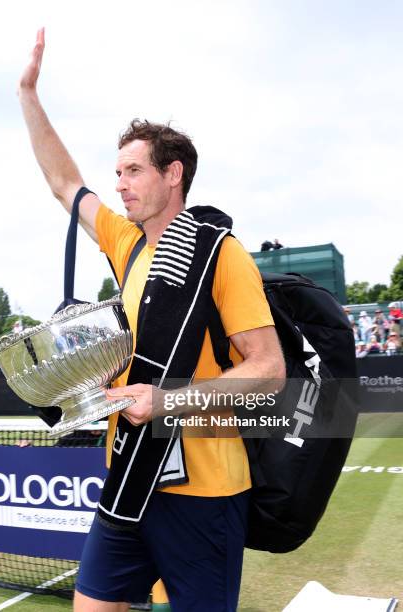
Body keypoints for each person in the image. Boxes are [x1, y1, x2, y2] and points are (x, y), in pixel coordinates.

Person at [18, 28, 285, 612]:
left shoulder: (222, 254)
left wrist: (167, 401)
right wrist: (28, 95)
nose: (120, 184)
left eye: (133, 171)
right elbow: (66, 184)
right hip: (129, 475)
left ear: (174, 175)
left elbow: (268, 372)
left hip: (205, 489)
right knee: (91, 605)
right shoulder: (128, 243)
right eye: (118, 173)